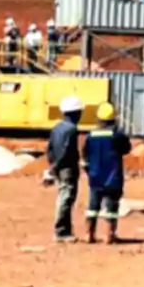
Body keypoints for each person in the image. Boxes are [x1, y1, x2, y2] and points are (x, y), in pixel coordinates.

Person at [82, 102, 131, 244]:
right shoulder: (116, 135)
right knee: (111, 206)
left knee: (93, 206)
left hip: (95, 176)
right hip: (112, 176)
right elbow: (126, 148)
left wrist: (89, 171)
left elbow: (85, 155)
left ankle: (88, 234)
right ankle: (110, 234)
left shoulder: (91, 135)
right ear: (113, 119)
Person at [44, 96, 83, 243]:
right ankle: (61, 231)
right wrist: (56, 166)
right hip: (67, 167)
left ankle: (64, 229)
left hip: (59, 166)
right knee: (66, 198)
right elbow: (67, 150)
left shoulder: (57, 128)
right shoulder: (72, 129)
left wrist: (52, 165)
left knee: (63, 196)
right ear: (76, 113)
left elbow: (50, 148)